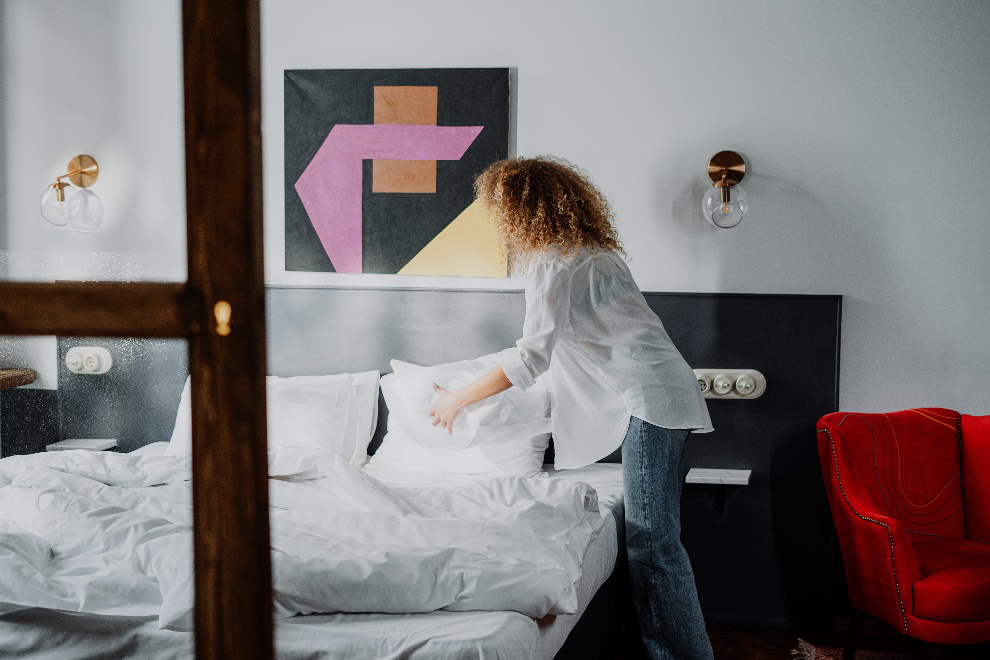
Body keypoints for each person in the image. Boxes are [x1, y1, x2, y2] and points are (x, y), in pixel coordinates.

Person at [429, 156, 714, 660]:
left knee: (653, 544)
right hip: (666, 395)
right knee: (658, 542)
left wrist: (457, 397)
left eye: (498, 208)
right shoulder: (593, 251)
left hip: (648, 401)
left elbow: (530, 356)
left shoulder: (553, 263)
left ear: (519, 209)